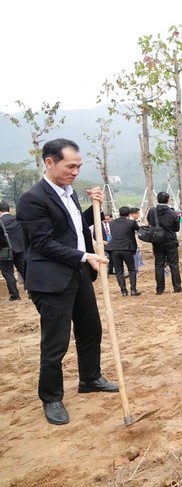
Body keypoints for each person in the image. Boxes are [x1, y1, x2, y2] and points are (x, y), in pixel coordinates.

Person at [16, 138, 119, 426]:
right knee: (56, 342)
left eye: (78, 166)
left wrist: (93, 209)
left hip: (78, 273)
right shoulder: (32, 199)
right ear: (50, 163)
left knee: (90, 330)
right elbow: (43, 243)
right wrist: (84, 255)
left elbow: (70, 228)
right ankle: (51, 397)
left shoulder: (69, 193)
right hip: (51, 281)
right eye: (69, 166)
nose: (75, 171)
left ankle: (90, 378)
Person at [146, 192, 182, 295]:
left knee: (159, 265)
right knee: (174, 264)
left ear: (157, 199)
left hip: (157, 241)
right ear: (168, 200)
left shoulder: (152, 211)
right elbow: (176, 228)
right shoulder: (172, 213)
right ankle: (177, 287)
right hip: (170, 241)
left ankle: (160, 289)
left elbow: (150, 223)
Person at [106, 206, 141, 296]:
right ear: (129, 214)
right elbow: (139, 229)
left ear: (119, 213)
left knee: (119, 271)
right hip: (127, 248)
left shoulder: (112, 223)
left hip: (114, 249)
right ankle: (133, 290)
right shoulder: (131, 222)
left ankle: (123, 291)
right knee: (132, 269)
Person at [0, 201, 26, 301]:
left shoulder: (0, 222)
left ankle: (14, 295)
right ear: (9, 209)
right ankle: (32, 292)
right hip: (20, 249)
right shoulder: (17, 219)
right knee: (24, 271)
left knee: (8, 273)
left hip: (5, 252)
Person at [129, 207, 144, 272]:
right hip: (132, 242)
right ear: (133, 214)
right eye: (137, 213)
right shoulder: (131, 222)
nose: (138, 215)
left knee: (137, 256)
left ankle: (135, 269)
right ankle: (134, 270)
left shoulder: (136, 221)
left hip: (136, 241)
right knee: (135, 257)